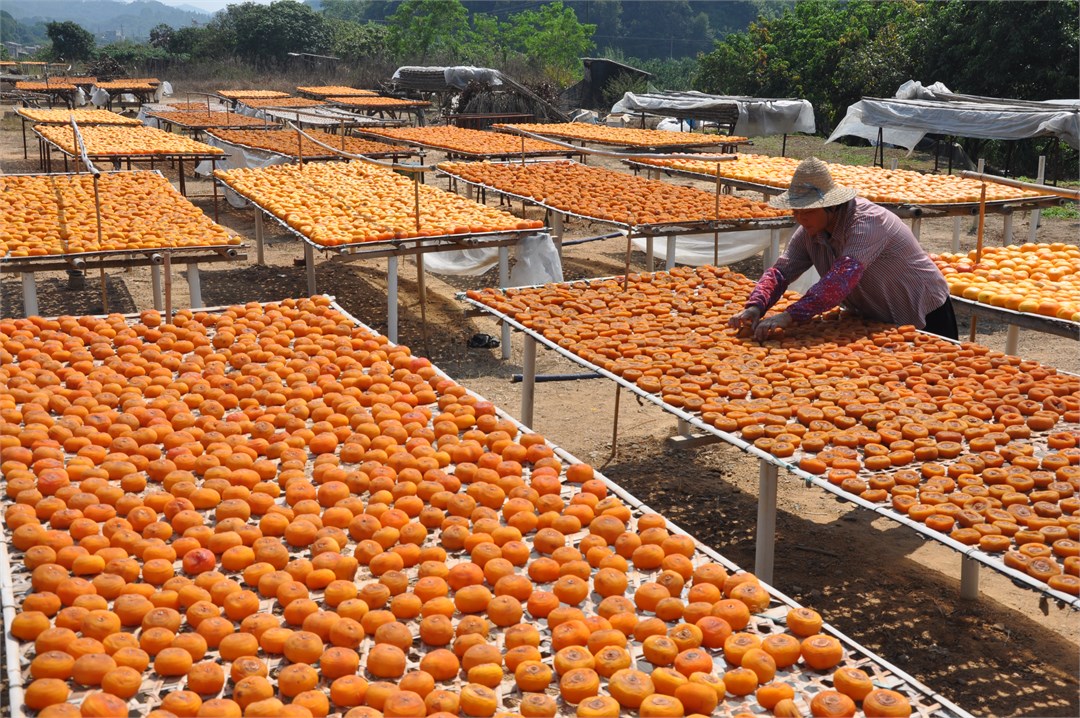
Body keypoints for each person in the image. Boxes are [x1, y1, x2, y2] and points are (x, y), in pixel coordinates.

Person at [728, 156, 957, 341]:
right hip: (876, 319)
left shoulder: (867, 223)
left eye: (806, 211)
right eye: (795, 212)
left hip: (924, 312)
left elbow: (840, 281)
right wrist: (756, 306)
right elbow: (781, 272)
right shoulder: (811, 232)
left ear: (830, 206)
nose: (800, 218)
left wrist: (789, 316)